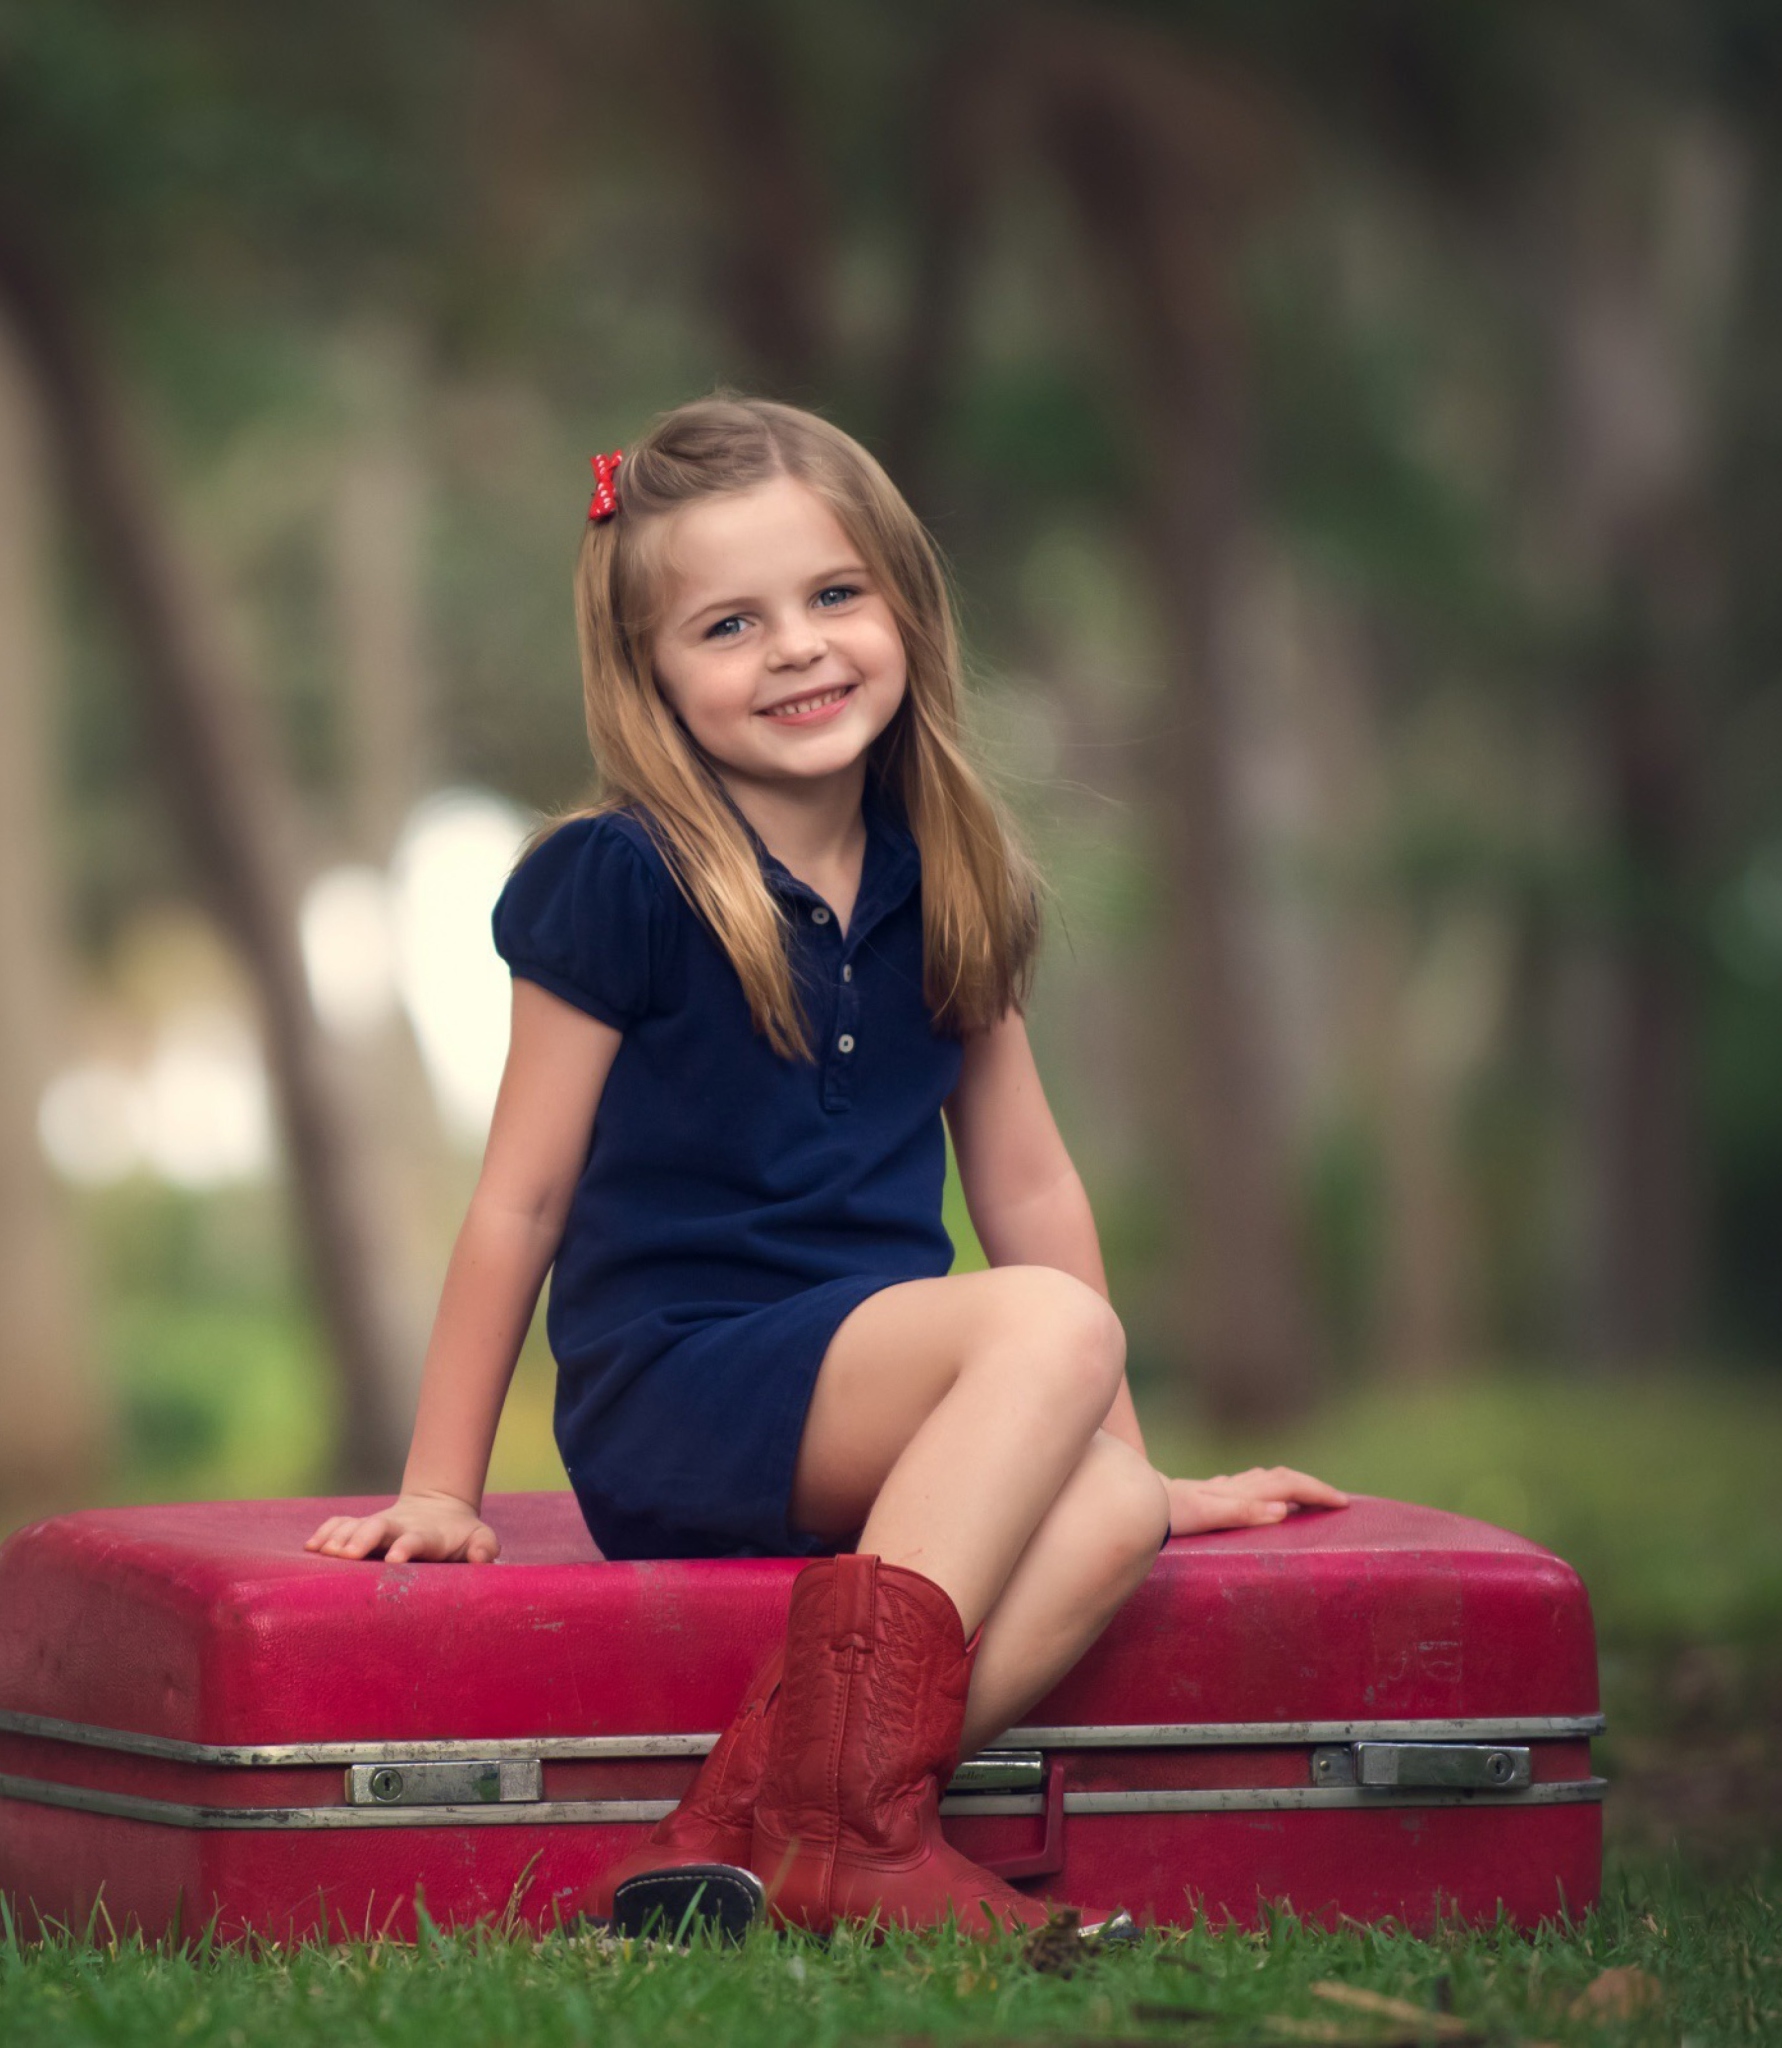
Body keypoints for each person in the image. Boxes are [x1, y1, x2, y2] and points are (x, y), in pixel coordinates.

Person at [304, 395, 1344, 1943]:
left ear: (907, 610)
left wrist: (1123, 1456)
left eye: (834, 597)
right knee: (1049, 1321)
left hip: (877, 1408)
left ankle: (751, 1822)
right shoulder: (620, 881)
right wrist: (444, 1487)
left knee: (1114, 1510)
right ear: (650, 672)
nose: (796, 647)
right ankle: (843, 1829)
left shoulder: (953, 877)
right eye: (730, 624)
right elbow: (516, 1199)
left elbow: (1031, 1190)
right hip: (684, 1398)